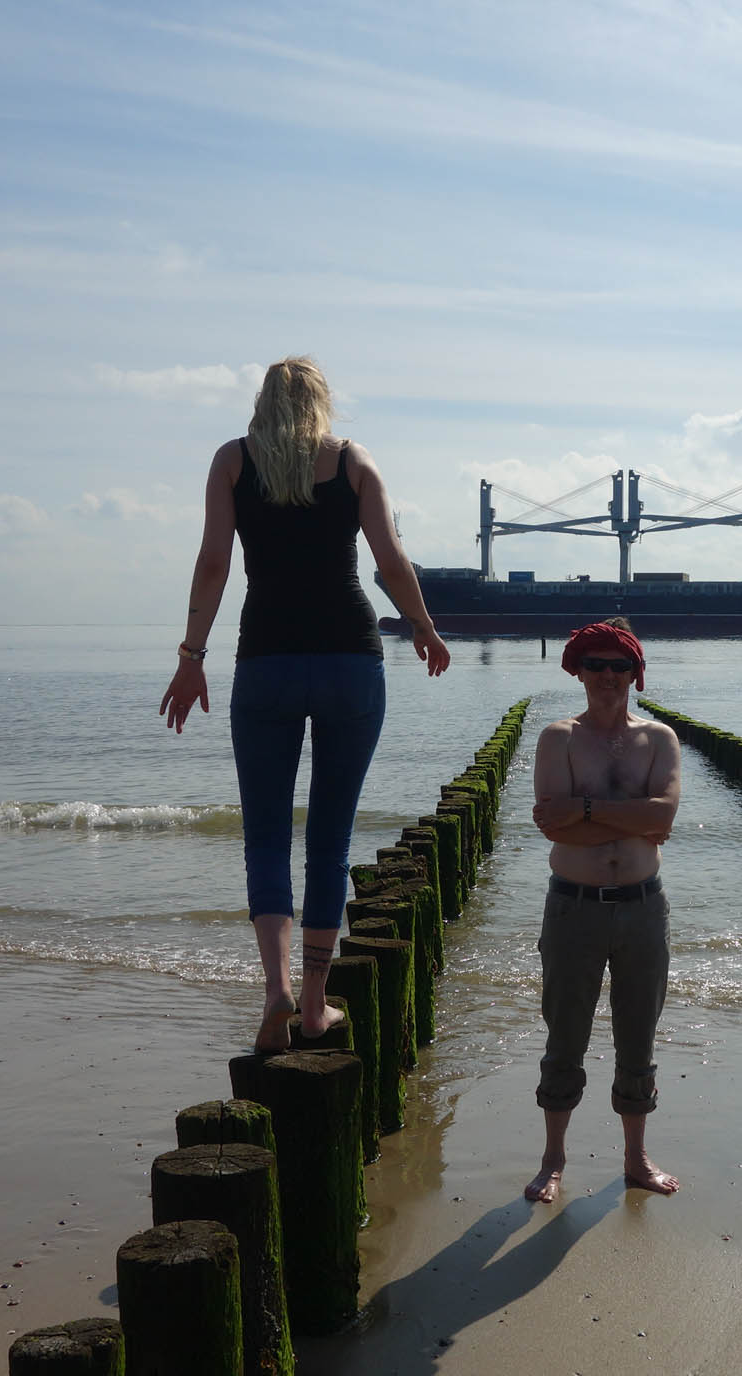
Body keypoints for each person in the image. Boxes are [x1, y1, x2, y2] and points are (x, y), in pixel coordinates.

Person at [159, 355, 450, 1053]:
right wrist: (423, 625)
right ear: (322, 402)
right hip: (351, 660)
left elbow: (213, 562)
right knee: (329, 836)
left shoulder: (233, 461)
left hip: (267, 661)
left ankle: (276, 993)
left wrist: (191, 657)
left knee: (265, 835)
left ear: (263, 402)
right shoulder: (353, 462)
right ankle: (316, 1006)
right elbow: (390, 560)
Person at [525, 618, 683, 1202]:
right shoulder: (558, 738)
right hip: (574, 906)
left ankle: (636, 1157)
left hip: (643, 907)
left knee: (638, 1036)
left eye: (619, 666)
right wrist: (631, 817)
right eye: (596, 665)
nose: (607, 676)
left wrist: (585, 809)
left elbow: (662, 817)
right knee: (565, 1036)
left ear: (635, 673)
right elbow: (552, 824)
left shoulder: (659, 739)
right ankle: (553, 1158)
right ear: (578, 670)